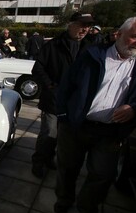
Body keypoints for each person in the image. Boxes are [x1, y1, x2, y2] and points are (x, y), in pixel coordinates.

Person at [54, 16, 136, 213]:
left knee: (102, 175)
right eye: (135, 36)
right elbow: (66, 85)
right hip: (77, 125)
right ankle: (65, 199)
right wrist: (64, 115)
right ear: (120, 34)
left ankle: (88, 209)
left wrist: (134, 109)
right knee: (67, 167)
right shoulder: (93, 54)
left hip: (111, 132)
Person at [30, 12, 95, 178]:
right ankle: (39, 162)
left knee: (62, 135)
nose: (85, 29)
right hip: (53, 99)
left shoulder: (90, 47)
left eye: (88, 26)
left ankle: (49, 158)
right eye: (82, 25)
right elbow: (37, 68)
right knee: (49, 133)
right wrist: (50, 85)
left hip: (75, 103)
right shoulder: (53, 45)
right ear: (71, 24)